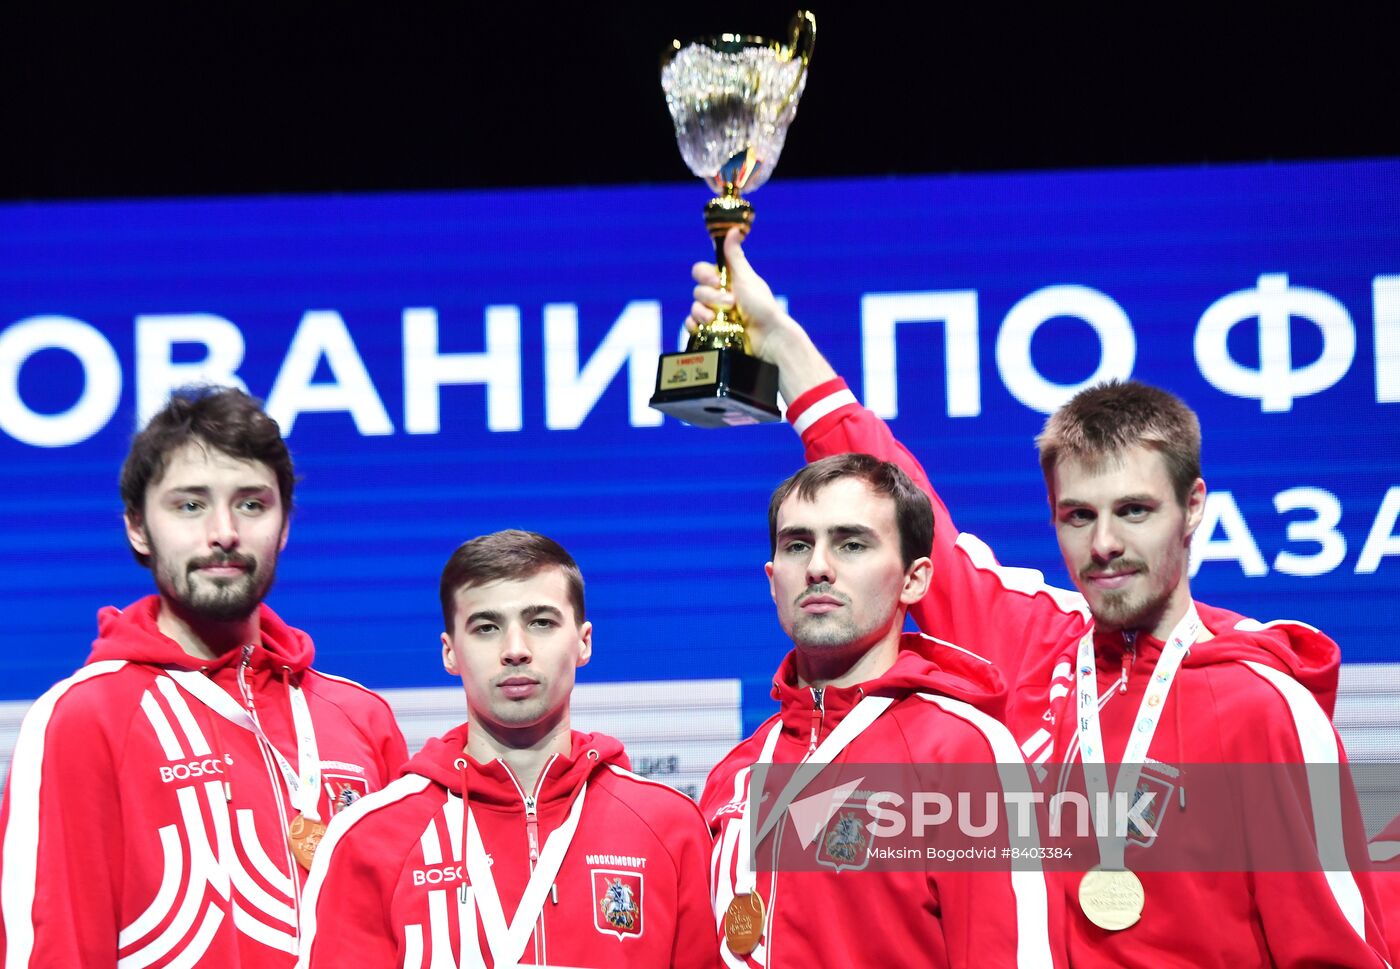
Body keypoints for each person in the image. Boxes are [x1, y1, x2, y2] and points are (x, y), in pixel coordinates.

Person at [688, 230, 1393, 967]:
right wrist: (783, 344)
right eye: (1079, 515)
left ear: (1193, 508)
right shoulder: (1031, 643)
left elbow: (1336, 951)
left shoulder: (1264, 705)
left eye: (1135, 510)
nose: (1105, 543)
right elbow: (898, 503)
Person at [0, 386, 408, 968]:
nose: (223, 533)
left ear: (284, 525)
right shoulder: (83, 719)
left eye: (251, 504)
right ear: (139, 528)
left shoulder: (360, 719)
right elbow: (55, 949)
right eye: (190, 505)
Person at [700, 454, 1061, 967]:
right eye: (797, 545)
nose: (818, 566)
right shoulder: (733, 774)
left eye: (851, 544)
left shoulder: (963, 755)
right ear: (772, 577)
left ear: (914, 580)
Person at [299, 529, 718, 968]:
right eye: (486, 627)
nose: (515, 650)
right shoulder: (370, 838)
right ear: (450, 653)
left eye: (541, 622)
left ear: (583, 641)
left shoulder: (669, 828)